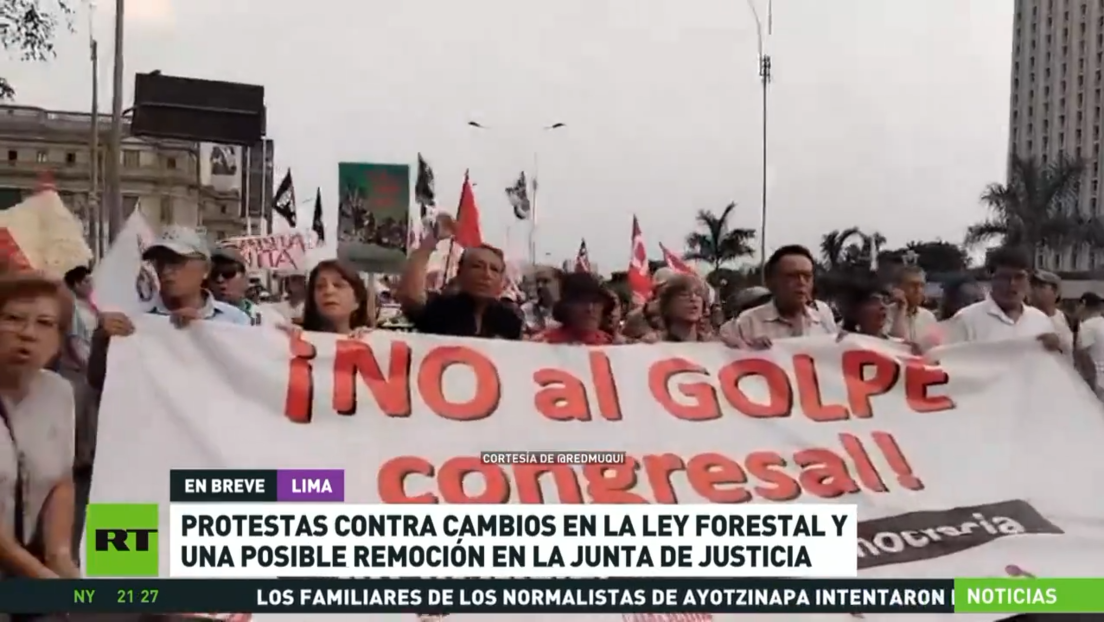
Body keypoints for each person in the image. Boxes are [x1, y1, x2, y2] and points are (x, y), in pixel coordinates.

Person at [89, 226, 252, 391]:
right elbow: (100, 383)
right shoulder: (133, 323)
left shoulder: (235, 321)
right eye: (160, 262)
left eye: (176, 262)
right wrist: (102, 341)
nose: (166, 271)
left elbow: (252, 382)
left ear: (205, 269)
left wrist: (202, 335)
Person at [0, 274, 80, 580]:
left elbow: (60, 478)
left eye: (45, 323)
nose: (28, 333)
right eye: (13, 318)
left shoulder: (58, 392)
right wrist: (41, 577)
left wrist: (59, 555)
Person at [397, 215, 522, 340]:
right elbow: (411, 298)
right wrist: (431, 241)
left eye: (494, 270)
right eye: (477, 266)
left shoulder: (509, 320)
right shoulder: (442, 311)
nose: (486, 275)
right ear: (460, 273)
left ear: (501, 280)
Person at [719, 245, 838, 349]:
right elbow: (715, 354)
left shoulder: (824, 319)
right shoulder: (747, 323)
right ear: (771, 282)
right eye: (792, 276)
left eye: (807, 276)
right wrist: (745, 349)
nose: (801, 282)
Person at [944, 246, 1059, 351]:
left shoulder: (1040, 320)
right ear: (991, 278)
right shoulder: (966, 319)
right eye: (1004, 277)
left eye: (1019, 277)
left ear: (1028, 280)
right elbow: (951, 366)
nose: (1012, 284)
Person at [532, 272, 613, 345]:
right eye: (582, 301)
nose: (590, 309)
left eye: (596, 302)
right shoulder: (543, 343)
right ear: (567, 307)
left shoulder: (611, 345)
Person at [299, 260, 375, 337]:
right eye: (320, 286)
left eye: (338, 285)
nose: (328, 291)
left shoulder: (369, 339)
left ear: (357, 300)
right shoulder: (299, 337)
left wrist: (372, 339)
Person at [209, 247, 262, 326]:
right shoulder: (201, 319)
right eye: (214, 274)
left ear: (245, 277)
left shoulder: (265, 316)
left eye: (228, 272)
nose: (220, 279)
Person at [885, 265, 938, 342]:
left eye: (922, 286)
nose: (918, 290)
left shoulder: (928, 316)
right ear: (898, 287)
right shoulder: (885, 314)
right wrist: (902, 309)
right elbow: (894, 344)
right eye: (913, 285)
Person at [1030, 270, 1074, 359]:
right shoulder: (1025, 318)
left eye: (1041, 287)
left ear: (1055, 292)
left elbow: (1079, 351)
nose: (1035, 290)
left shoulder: (1068, 320)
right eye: (1033, 286)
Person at [61, 266, 97, 371]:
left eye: (91, 281)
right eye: (87, 281)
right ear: (77, 285)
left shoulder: (94, 306)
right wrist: (89, 368)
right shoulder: (73, 309)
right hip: (83, 368)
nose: (91, 285)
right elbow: (75, 343)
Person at [656, 275, 712, 342]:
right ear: (667, 304)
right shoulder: (654, 343)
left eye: (698, 294)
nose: (693, 298)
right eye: (684, 294)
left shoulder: (714, 344)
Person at [1076, 292, 1104, 398]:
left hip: (1098, 380)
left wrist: (1088, 381)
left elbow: (1082, 354)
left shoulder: (1088, 326)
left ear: (1083, 305)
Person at [521, 266, 560, 335]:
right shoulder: (525, 310)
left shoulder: (571, 313)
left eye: (545, 281)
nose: (540, 286)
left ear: (558, 283)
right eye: (538, 282)